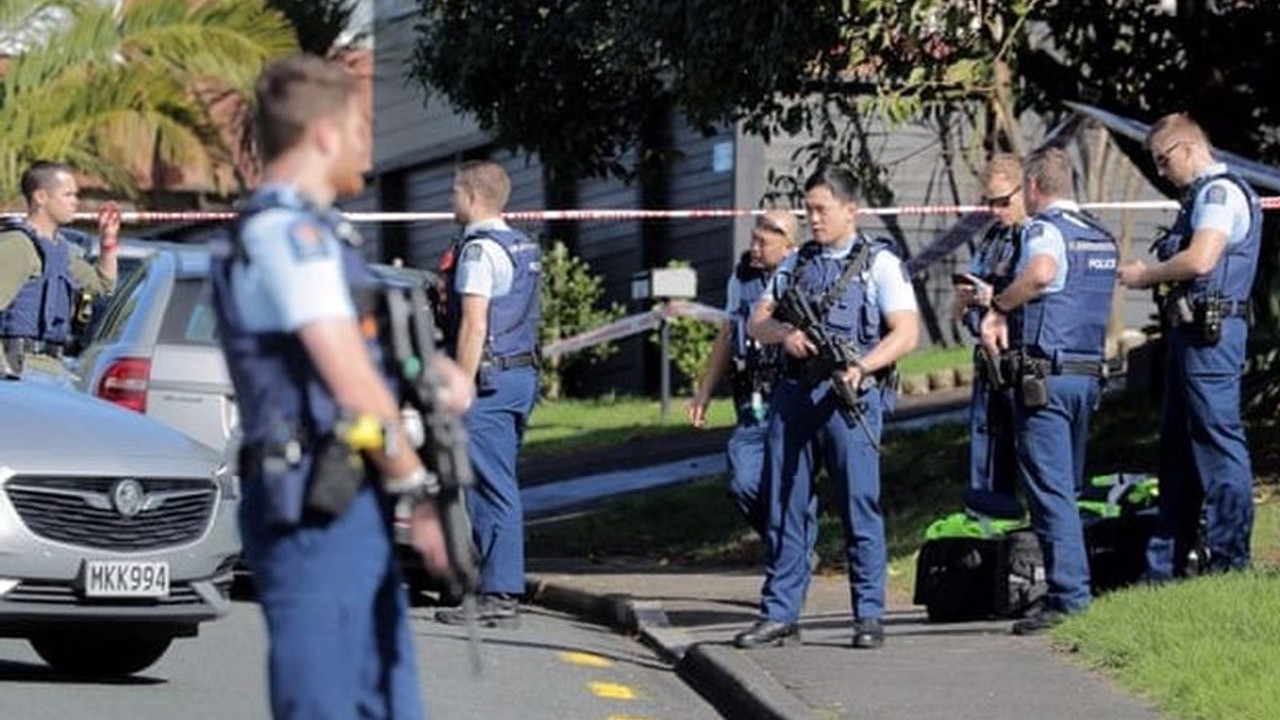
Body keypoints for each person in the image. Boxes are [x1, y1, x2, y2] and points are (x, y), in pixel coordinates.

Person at [210, 55, 455, 720]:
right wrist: (416, 487)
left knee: (386, 702)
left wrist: (434, 378)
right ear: (323, 134)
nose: (367, 146)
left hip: (346, 495)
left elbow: (364, 365)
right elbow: (346, 375)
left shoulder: (324, 237)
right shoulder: (284, 235)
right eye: (360, 128)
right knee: (326, 705)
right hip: (310, 508)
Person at [734, 166, 920, 650]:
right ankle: (779, 613)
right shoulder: (795, 264)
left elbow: (906, 332)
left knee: (859, 505)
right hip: (795, 397)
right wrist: (787, 335)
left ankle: (869, 615)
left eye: (822, 209)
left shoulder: (880, 263)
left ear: (850, 210)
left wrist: (862, 366)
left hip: (850, 399)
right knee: (785, 507)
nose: (813, 219)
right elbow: (758, 322)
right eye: (809, 210)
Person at [980, 146, 1118, 634]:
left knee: (1050, 490)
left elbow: (1040, 274)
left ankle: (1069, 597)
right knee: (1069, 486)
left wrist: (998, 304)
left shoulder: (1044, 229)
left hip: (1046, 380)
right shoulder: (1099, 237)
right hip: (1086, 377)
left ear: (1034, 187)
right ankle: (1073, 586)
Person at [1118, 113, 1260, 579]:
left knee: (1218, 445)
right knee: (1177, 452)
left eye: (1162, 161)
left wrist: (1146, 276)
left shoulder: (1219, 194)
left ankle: (1230, 561)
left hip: (1211, 338)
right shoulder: (1199, 197)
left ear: (1187, 148)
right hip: (1191, 337)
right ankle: (1164, 570)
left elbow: (1201, 260)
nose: (1161, 172)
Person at [434, 160, 541, 629]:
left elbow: (474, 325)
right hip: (520, 377)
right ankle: (492, 586)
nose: (449, 199)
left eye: (454, 191)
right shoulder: (521, 243)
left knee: (493, 485)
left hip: (490, 382)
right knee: (490, 480)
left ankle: (500, 592)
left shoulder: (478, 252)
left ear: (473, 196)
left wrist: (459, 384)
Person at [688, 209, 799, 539]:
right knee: (744, 482)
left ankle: (791, 554)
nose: (754, 248)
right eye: (753, 239)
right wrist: (704, 392)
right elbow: (727, 334)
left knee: (790, 483)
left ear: (789, 246)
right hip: (753, 398)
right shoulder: (741, 279)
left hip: (792, 393)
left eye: (763, 242)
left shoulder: (806, 277)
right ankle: (787, 545)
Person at [0, 161, 120, 378]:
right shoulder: (17, 245)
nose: (76, 202)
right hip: (20, 369)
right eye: (68, 195)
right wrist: (5, 370)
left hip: (52, 368)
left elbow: (103, 286)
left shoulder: (60, 250)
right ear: (41, 197)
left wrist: (108, 241)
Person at [955, 154, 1026, 504]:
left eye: (1004, 201)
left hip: (1022, 361)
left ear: (1026, 189)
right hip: (989, 363)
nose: (997, 210)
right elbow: (967, 298)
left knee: (1031, 453)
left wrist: (994, 298)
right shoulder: (994, 237)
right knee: (987, 453)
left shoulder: (1040, 237)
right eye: (990, 203)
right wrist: (966, 300)